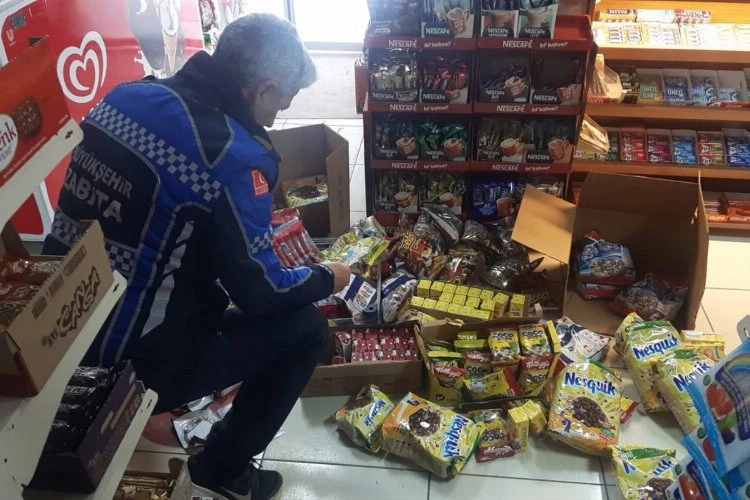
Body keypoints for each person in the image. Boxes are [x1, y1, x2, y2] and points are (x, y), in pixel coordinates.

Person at [43, 14, 351, 500]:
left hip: (54, 323)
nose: (279, 115)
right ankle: (223, 470)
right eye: (283, 101)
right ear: (264, 89)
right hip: (122, 360)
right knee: (306, 329)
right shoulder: (232, 155)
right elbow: (260, 292)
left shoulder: (126, 96)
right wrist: (327, 277)